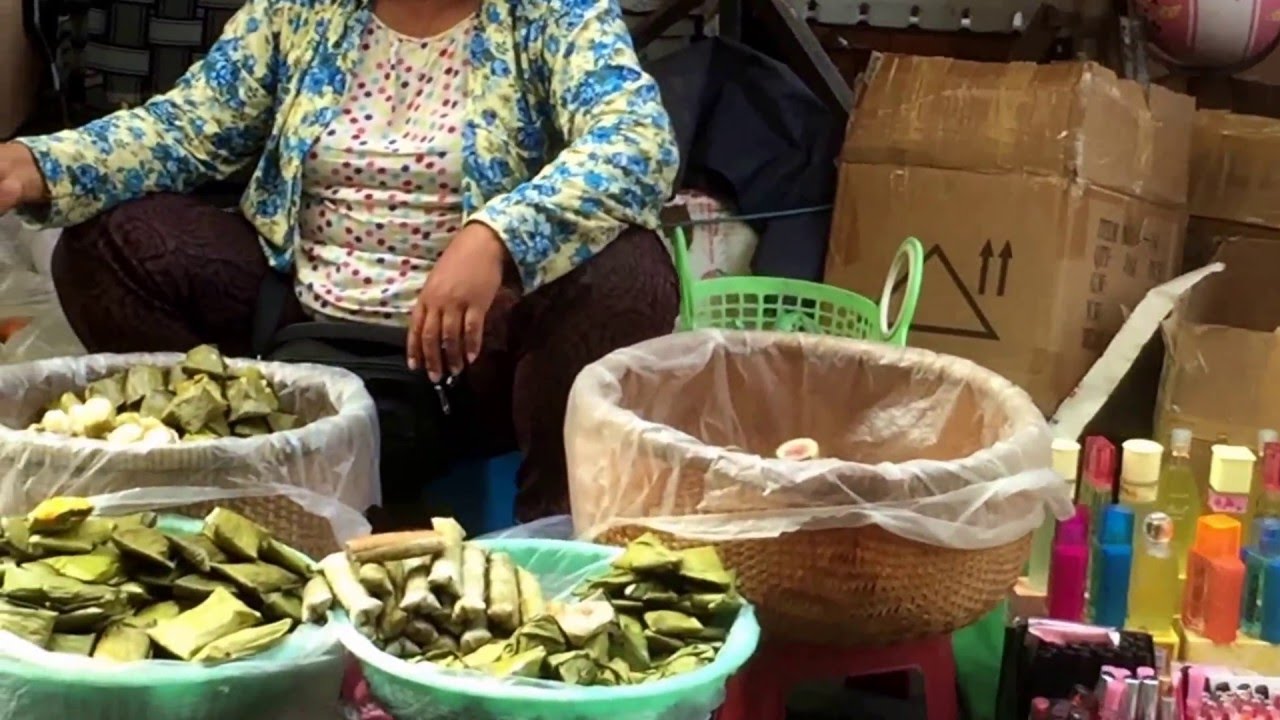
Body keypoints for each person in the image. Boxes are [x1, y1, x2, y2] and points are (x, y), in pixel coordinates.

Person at [0, 0, 681, 522]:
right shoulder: (303, 11)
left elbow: (637, 142)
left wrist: (498, 236)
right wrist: (37, 163)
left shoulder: (555, 15)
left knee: (630, 270)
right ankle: (236, 490)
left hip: (480, 357)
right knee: (106, 244)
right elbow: (186, 127)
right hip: (303, 335)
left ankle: (552, 537)